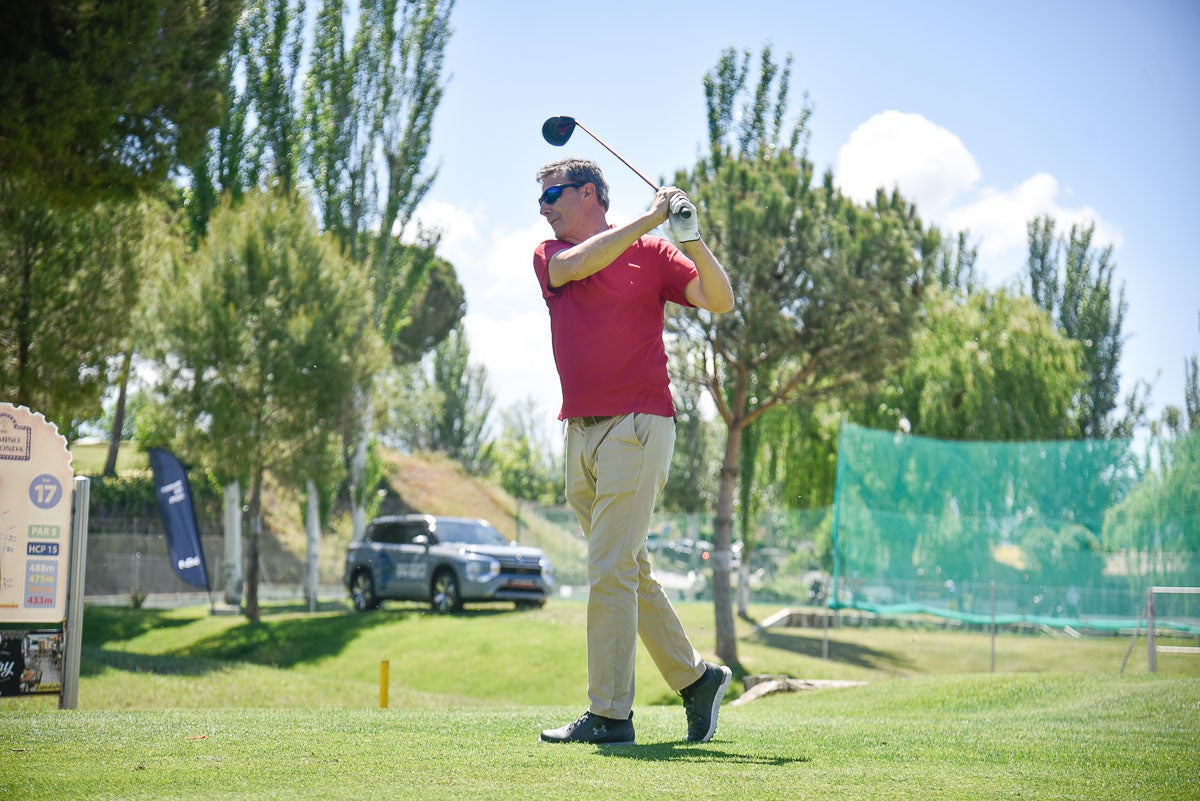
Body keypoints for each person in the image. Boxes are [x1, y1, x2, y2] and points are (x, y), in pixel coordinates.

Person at [532, 158, 735, 746]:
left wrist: (691, 240)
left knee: (609, 568)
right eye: (541, 198)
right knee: (625, 565)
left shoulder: (654, 255)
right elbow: (579, 263)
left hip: (637, 426)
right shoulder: (551, 256)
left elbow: (719, 300)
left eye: (552, 194)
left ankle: (611, 714)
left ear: (589, 192)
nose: (544, 207)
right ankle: (696, 681)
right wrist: (649, 219)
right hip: (579, 433)